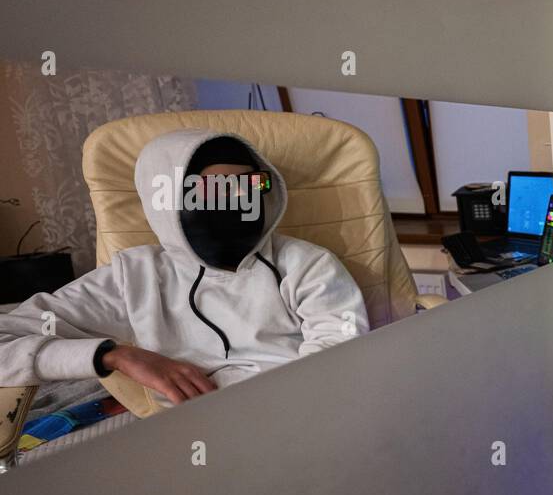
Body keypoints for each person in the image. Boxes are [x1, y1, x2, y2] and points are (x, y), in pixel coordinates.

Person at [0, 130, 368, 407]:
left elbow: (339, 364)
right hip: (193, 434)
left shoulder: (305, 264)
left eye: (250, 186)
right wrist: (116, 355)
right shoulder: (135, 278)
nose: (238, 199)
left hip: (300, 415)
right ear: (171, 199)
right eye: (215, 189)